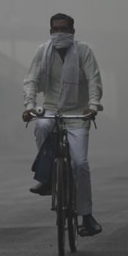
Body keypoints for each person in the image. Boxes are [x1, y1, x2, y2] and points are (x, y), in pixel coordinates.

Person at [22, 12, 103, 236]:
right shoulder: (42, 51)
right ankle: (48, 177)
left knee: (80, 164)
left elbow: (94, 79)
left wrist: (93, 105)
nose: (59, 34)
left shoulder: (84, 51)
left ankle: (86, 216)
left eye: (64, 30)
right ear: (50, 32)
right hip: (49, 107)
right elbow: (31, 80)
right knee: (41, 126)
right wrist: (29, 106)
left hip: (77, 112)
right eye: (55, 30)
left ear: (73, 32)